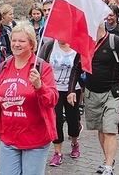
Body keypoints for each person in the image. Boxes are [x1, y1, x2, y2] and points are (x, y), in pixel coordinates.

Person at [0, 24, 58, 175]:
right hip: (9, 136)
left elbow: (52, 100)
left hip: (35, 138)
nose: (16, 44)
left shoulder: (42, 67)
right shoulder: (3, 67)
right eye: (13, 40)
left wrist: (39, 86)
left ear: (31, 44)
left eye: (21, 41)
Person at [68, 22, 119, 175]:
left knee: (109, 130)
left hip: (112, 93)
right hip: (92, 94)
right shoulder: (85, 44)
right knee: (101, 130)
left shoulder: (115, 42)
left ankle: (108, 167)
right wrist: (71, 91)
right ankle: (108, 159)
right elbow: (76, 68)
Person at [38, 39, 81, 167]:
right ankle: (58, 153)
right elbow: (40, 63)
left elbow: (82, 67)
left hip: (72, 90)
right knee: (56, 121)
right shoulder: (50, 46)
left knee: (73, 120)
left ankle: (75, 143)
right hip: (53, 89)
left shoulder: (76, 46)